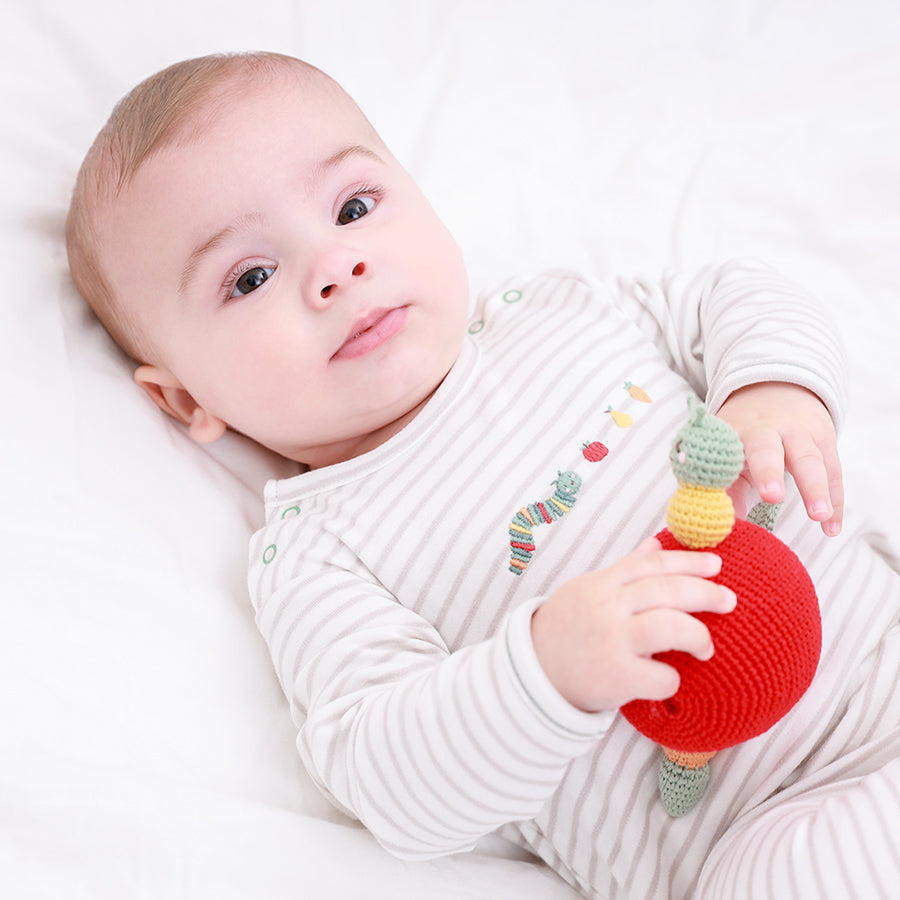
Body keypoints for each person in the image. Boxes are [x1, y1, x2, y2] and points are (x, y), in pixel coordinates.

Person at [66, 51, 900, 899]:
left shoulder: (558, 311)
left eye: (354, 208)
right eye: (251, 277)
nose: (335, 268)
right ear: (186, 399)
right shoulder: (319, 555)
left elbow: (737, 294)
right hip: (766, 829)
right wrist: (545, 671)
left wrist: (772, 391)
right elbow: (390, 781)